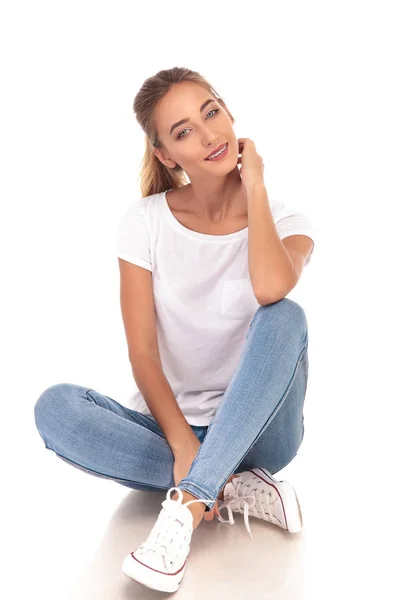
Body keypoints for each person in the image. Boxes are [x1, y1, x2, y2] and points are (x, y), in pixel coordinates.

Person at [33, 66, 315, 594]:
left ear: (229, 113)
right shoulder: (143, 223)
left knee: (286, 316)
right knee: (55, 407)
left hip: (261, 436)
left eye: (211, 113)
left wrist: (254, 187)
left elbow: (272, 288)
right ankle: (227, 487)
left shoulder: (285, 217)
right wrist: (184, 441)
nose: (209, 135)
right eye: (184, 131)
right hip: (169, 433)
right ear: (166, 155)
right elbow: (141, 353)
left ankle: (187, 503)